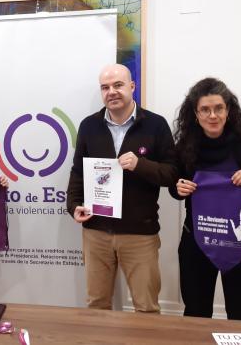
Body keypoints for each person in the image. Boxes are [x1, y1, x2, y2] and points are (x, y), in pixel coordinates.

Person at [66, 64, 176, 312]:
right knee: (97, 305)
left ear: (132, 86)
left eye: (118, 85)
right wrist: (73, 205)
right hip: (95, 231)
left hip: (139, 234)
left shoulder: (156, 125)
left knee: (146, 308)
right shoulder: (89, 126)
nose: (111, 92)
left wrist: (140, 165)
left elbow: (172, 173)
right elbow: (78, 171)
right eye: (105, 87)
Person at [169, 77, 241, 321]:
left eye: (218, 108)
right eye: (205, 109)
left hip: (238, 239)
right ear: (195, 113)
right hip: (196, 239)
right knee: (196, 313)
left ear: (228, 110)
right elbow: (174, 188)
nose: (212, 115)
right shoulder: (184, 146)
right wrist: (178, 187)